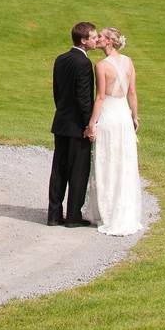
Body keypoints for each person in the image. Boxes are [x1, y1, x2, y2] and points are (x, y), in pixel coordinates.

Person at [83, 27, 144, 236]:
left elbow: (100, 97)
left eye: (100, 36)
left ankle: (108, 212)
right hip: (123, 116)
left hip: (109, 116)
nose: (97, 39)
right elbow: (132, 93)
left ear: (108, 41)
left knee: (107, 161)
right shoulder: (128, 61)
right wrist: (134, 117)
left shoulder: (101, 66)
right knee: (123, 161)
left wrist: (92, 122)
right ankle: (124, 210)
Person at [48, 21, 97, 227]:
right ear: (84, 41)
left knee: (59, 169)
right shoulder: (84, 64)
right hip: (77, 126)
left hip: (61, 122)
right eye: (93, 37)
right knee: (78, 171)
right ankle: (73, 215)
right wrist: (89, 124)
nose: (96, 40)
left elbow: (57, 92)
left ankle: (54, 214)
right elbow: (84, 97)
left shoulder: (61, 59)